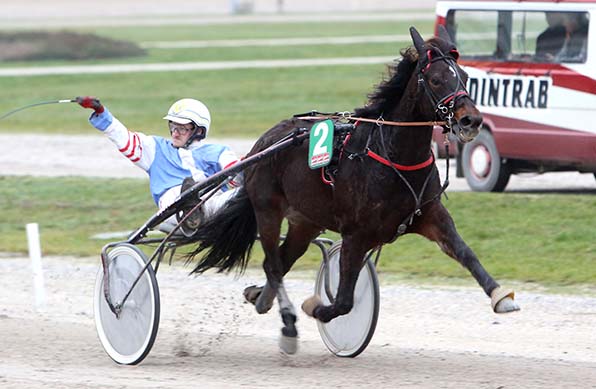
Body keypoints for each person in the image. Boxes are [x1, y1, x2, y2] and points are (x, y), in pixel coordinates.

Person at [77, 96, 242, 234]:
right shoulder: (155, 148)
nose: (175, 132)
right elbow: (123, 137)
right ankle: (190, 207)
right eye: (173, 126)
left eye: (182, 128)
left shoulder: (218, 152)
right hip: (172, 209)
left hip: (214, 206)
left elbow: (236, 176)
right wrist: (101, 112)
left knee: (239, 195)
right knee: (183, 193)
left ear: (198, 131)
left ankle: (195, 206)